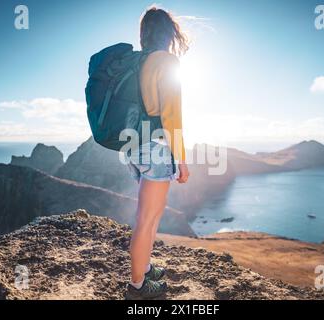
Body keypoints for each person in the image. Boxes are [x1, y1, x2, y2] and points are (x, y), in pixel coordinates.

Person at [125, 6, 190, 300]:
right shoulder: (167, 61)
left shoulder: (137, 62)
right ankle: (138, 286)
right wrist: (182, 160)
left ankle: (146, 266)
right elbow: (172, 117)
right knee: (148, 219)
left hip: (133, 145)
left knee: (149, 214)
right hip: (156, 147)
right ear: (168, 32)